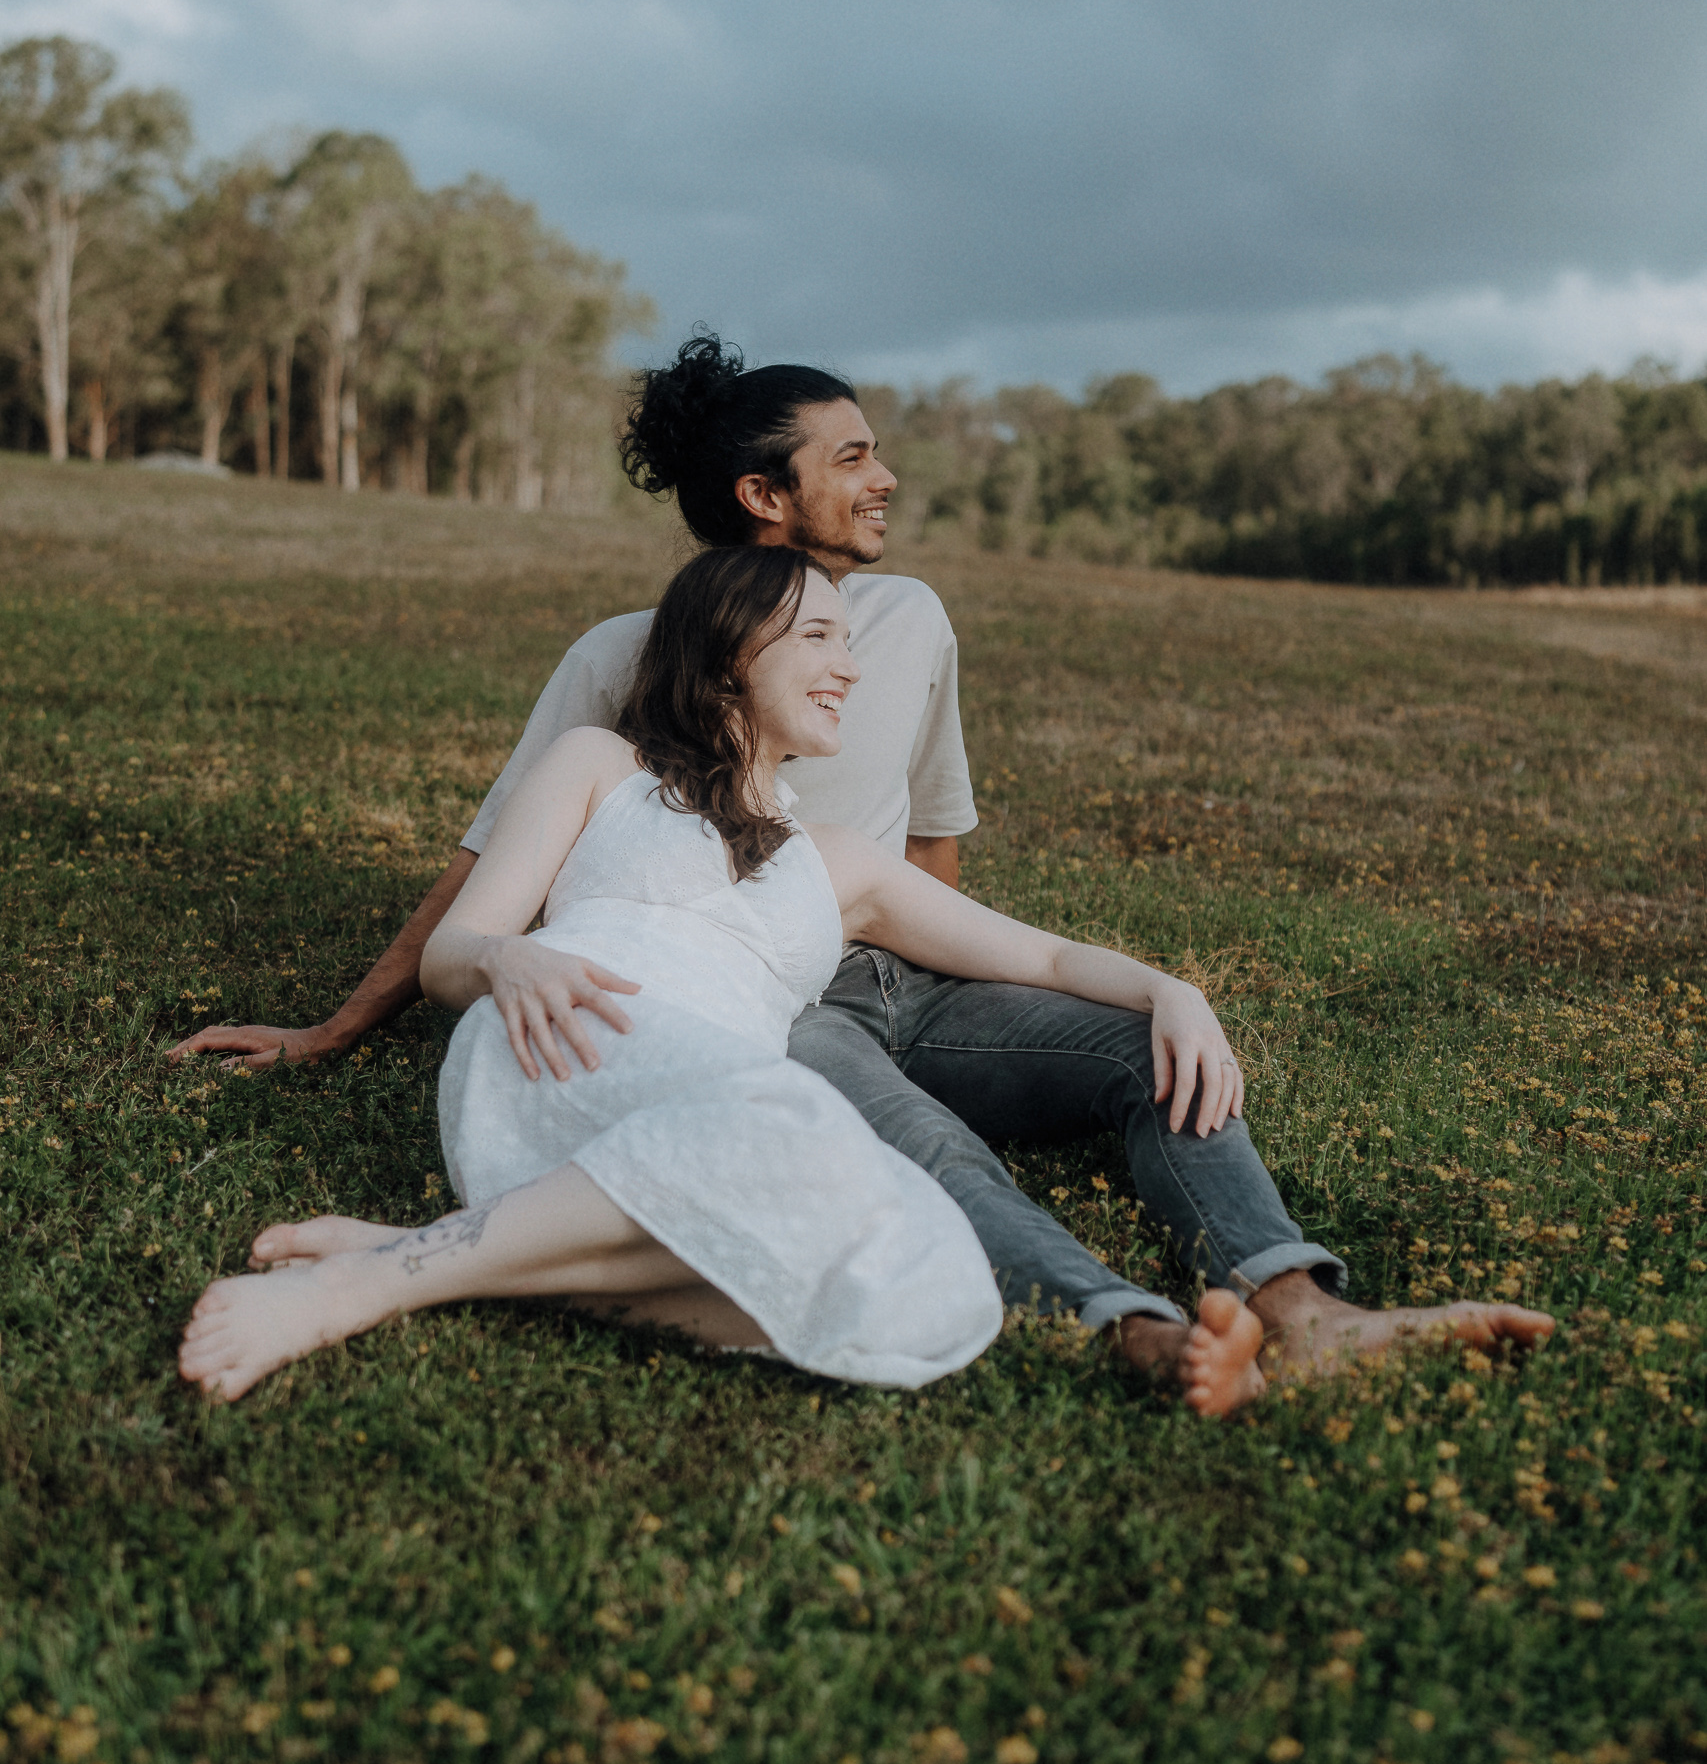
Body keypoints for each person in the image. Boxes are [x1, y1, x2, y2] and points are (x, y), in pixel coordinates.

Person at [173, 334, 1554, 1390]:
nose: (881, 477)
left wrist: (1138, 987)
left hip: (883, 949)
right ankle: (1120, 1328)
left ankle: (1297, 1309)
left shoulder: (908, 625)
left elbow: (935, 837)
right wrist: (343, 1023)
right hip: (761, 1005)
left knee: (1131, 1048)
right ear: (761, 494)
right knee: (887, 1139)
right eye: (848, 458)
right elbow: (491, 866)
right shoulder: (620, 663)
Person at [178, 550, 1280, 1413]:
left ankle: (419, 1250)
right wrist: (513, 957)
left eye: (849, 639)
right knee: (801, 1115)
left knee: (944, 1276)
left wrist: (1166, 988)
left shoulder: (839, 858)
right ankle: (357, 1288)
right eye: (815, 635)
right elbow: (453, 954)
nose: (848, 664)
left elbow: (1036, 954)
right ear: (722, 654)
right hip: (570, 1044)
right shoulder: (601, 768)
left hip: (729, 1107)